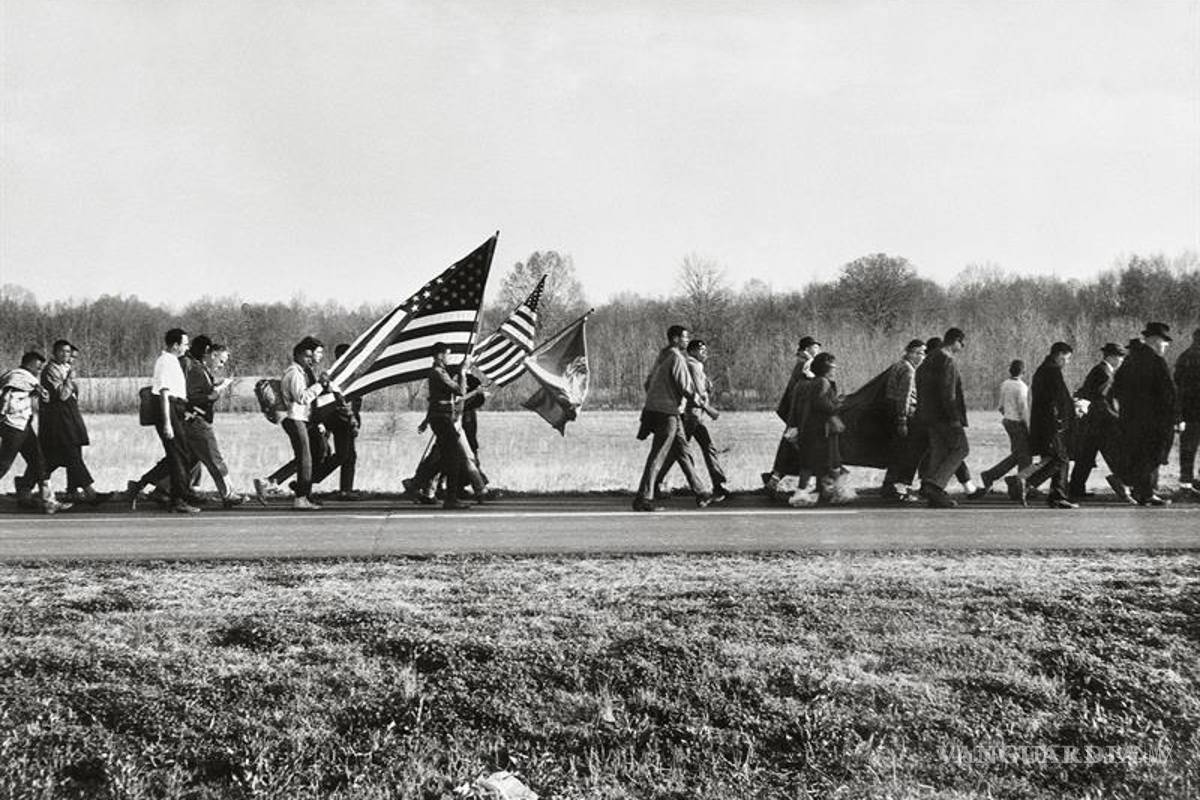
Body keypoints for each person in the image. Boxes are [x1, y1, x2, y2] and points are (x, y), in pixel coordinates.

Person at [633, 325, 713, 512]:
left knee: (683, 453)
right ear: (676, 339)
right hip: (667, 413)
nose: (687, 341)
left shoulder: (662, 356)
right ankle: (643, 499)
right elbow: (686, 386)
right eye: (685, 338)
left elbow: (648, 383)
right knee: (658, 455)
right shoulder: (677, 357)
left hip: (659, 411)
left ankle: (701, 492)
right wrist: (702, 403)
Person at [127, 328, 200, 514]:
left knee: (182, 454)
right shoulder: (165, 362)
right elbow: (164, 393)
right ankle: (178, 499)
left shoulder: (172, 361)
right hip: (169, 409)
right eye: (184, 344)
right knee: (178, 457)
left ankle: (145, 485)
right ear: (175, 345)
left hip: (177, 408)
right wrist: (167, 422)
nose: (187, 347)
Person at [1111, 322, 1180, 506]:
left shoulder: (1130, 360)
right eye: (1165, 343)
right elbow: (1169, 393)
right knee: (1154, 455)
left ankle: (1142, 491)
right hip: (1155, 420)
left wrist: (1127, 407)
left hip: (1130, 418)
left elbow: (1116, 388)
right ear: (1156, 341)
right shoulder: (1157, 362)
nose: (1166, 347)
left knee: (1140, 455)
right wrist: (1176, 418)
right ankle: (1129, 482)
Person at [1007, 342, 1078, 509]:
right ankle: (1025, 481)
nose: (1067, 362)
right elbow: (1058, 399)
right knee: (1060, 458)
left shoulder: (1042, 370)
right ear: (1060, 355)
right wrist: (1070, 411)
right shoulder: (1052, 371)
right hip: (1051, 423)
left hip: (1044, 422)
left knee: (1056, 458)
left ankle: (1056, 495)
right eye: (1067, 359)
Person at [655, 339, 727, 502]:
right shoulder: (694, 365)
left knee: (686, 451)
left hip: (691, 415)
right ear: (693, 351)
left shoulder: (690, 364)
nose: (705, 352)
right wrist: (710, 411)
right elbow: (696, 394)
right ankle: (715, 487)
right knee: (685, 452)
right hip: (692, 416)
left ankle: (656, 482)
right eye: (702, 350)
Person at [0, 352, 70, 514]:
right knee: (3, 464)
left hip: (22, 425)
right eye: (37, 367)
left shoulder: (11, 375)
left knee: (38, 461)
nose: (39, 371)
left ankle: (48, 501)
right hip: (15, 425)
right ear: (29, 364)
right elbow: (8, 397)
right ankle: (46, 500)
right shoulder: (21, 377)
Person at [184, 339, 245, 507]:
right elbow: (194, 397)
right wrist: (216, 392)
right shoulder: (197, 370)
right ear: (212, 355)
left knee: (190, 459)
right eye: (221, 361)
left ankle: (165, 489)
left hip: (192, 419)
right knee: (214, 457)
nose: (221, 365)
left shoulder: (199, 368)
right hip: (197, 419)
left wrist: (214, 387)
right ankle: (229, 493)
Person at [1068, 343, 1131, 502]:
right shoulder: (1104, 373)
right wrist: (1116, 418)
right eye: (1120, 357)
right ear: (1111, 357)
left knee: (1085, 458)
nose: (1121, 361)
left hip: (1092, 423)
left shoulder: (1100, 370)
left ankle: (1076, 489)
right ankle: (1123, 486)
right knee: (1113, 456)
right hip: (1100, 424)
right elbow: (1100, 401)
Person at [914, 327, 969, 508]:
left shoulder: (928, 360)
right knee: (961, 449)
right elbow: (948, 393)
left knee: (939, 451)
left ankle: (931, 491)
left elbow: (920, 384)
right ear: (954, 341)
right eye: (962, 343)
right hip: (945, 415)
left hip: (928, 415)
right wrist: (954, 416)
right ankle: (935, 485)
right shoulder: (947, 361)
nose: (962, 346)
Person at [415, 342, 472, 510]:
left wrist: (426, 421)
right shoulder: (438, 373)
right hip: (442, 420)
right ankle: (451, 498)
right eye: (447, 354)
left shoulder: (439, 372)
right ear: (440, 355)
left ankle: (418, 483)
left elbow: (434, 400)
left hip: (440, 418)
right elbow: (459, 391)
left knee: (442, 456)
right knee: (453, 457)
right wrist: (462, 373)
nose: (448, 357)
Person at [762, 335, 821, 495]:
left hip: (796, 415)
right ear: (807, 349)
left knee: (791, 449)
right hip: (801, 416)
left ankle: (774, 479)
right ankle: (779, 482)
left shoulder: (803, 363)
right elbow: (809, 388)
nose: (818, 349)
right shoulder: (805, 364)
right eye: (816, 346)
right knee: (796, 449)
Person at [785, 352, 846, 507]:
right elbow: (821, 404)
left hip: (811, 429)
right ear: (826, 369)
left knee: (809, 464)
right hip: (821, 431)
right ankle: (836, 492)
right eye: (832, 367)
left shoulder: (813, 382)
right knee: (833, 462)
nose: (834, 370)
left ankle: (806, 492)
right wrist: (838, 404)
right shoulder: (823, 382)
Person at [879, 339, 925, 501]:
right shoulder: (909, 370)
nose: (922, 357)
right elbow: (904, 397)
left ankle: (889, 485)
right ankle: (898, 489)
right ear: (910, 353)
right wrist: (902, 420)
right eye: (920, 353)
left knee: (896, 452)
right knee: (905, 453)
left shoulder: (897, 365)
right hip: (905, 414)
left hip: (893, 412)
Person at [977, 360, 1032, 494]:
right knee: (1025, 456)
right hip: (1018, 423)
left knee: (1018, 454)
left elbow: (1001, 406)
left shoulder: (1005, 384)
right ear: (1023, 372)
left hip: (1007, 420)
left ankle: (992, 475)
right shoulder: (1022, 387)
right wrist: (1029, 427)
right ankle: (1021, 485)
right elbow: (1023, 410)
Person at [1174, 328, 1200, 494]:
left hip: (1188, 410)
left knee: (1188, 448)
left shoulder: (1184, 357)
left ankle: (1186, 482)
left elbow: (1177, 381)